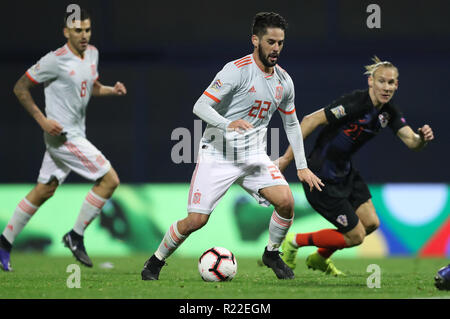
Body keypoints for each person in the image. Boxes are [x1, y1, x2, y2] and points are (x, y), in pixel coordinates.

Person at [141, 12, 323, 281]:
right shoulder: (236, 71)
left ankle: (271, 253)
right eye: (271, 41)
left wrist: (302, 167)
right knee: (196, 221)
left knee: (286, 202)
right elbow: (200, 106)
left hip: (253, 157)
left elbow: (293, 124)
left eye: (280, 43)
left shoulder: (284, 82)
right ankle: (155, 262)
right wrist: (228, 124)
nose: (276, 48)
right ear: (255, 40)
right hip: (218, 154)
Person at [277, 56, 434, 276]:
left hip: (345, 172)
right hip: (322, 177)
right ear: (371, 81)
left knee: (371, 223)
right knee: (356, 236)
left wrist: (422, 138)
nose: (386, 87)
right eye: (382, 81)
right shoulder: (354, 103)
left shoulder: (389, 112)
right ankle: (294, 242)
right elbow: (309, 121)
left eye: (391, 83)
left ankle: (320, 258)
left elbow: (411, 141)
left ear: (396, 85)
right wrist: (286, 159)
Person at [0, 9, 127, 271]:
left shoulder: (92, 53)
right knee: (109, 179)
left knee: (44, 189)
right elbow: (20, 87)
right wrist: (42, 120)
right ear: (66, 32)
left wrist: (110, 90)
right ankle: (76, 235)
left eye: (87, 30)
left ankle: (4, 243)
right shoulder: (54, 60)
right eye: (78, 30)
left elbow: (91, 87)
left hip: (76, 133)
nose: (84, 35)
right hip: (63, 136)